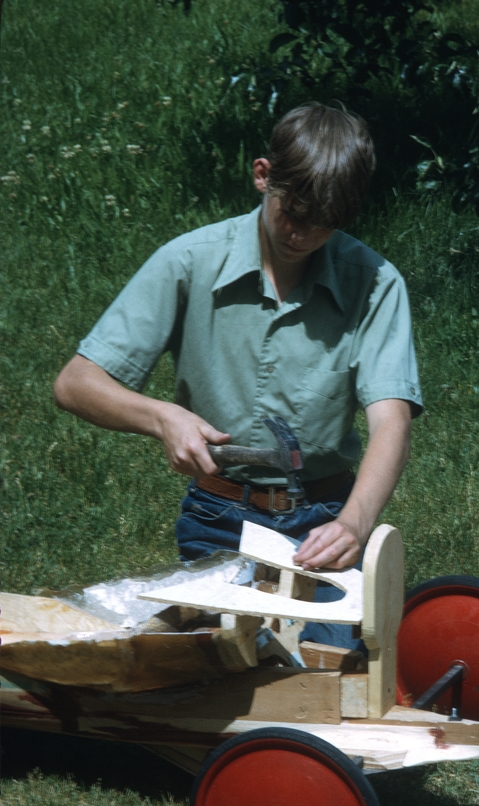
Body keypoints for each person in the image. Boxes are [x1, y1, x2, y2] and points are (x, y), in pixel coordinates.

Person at [54, 102, 422, 649]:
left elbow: (391, 424)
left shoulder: (375, 283)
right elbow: (75, 383)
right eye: (293, 212)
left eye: (324, 224)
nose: (303, 234)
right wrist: (163, 418)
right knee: (219, 669)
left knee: (328, 666)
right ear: (262, 175)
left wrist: (354, 523)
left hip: (324, 519)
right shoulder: (189, 261)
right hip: (219, 515)